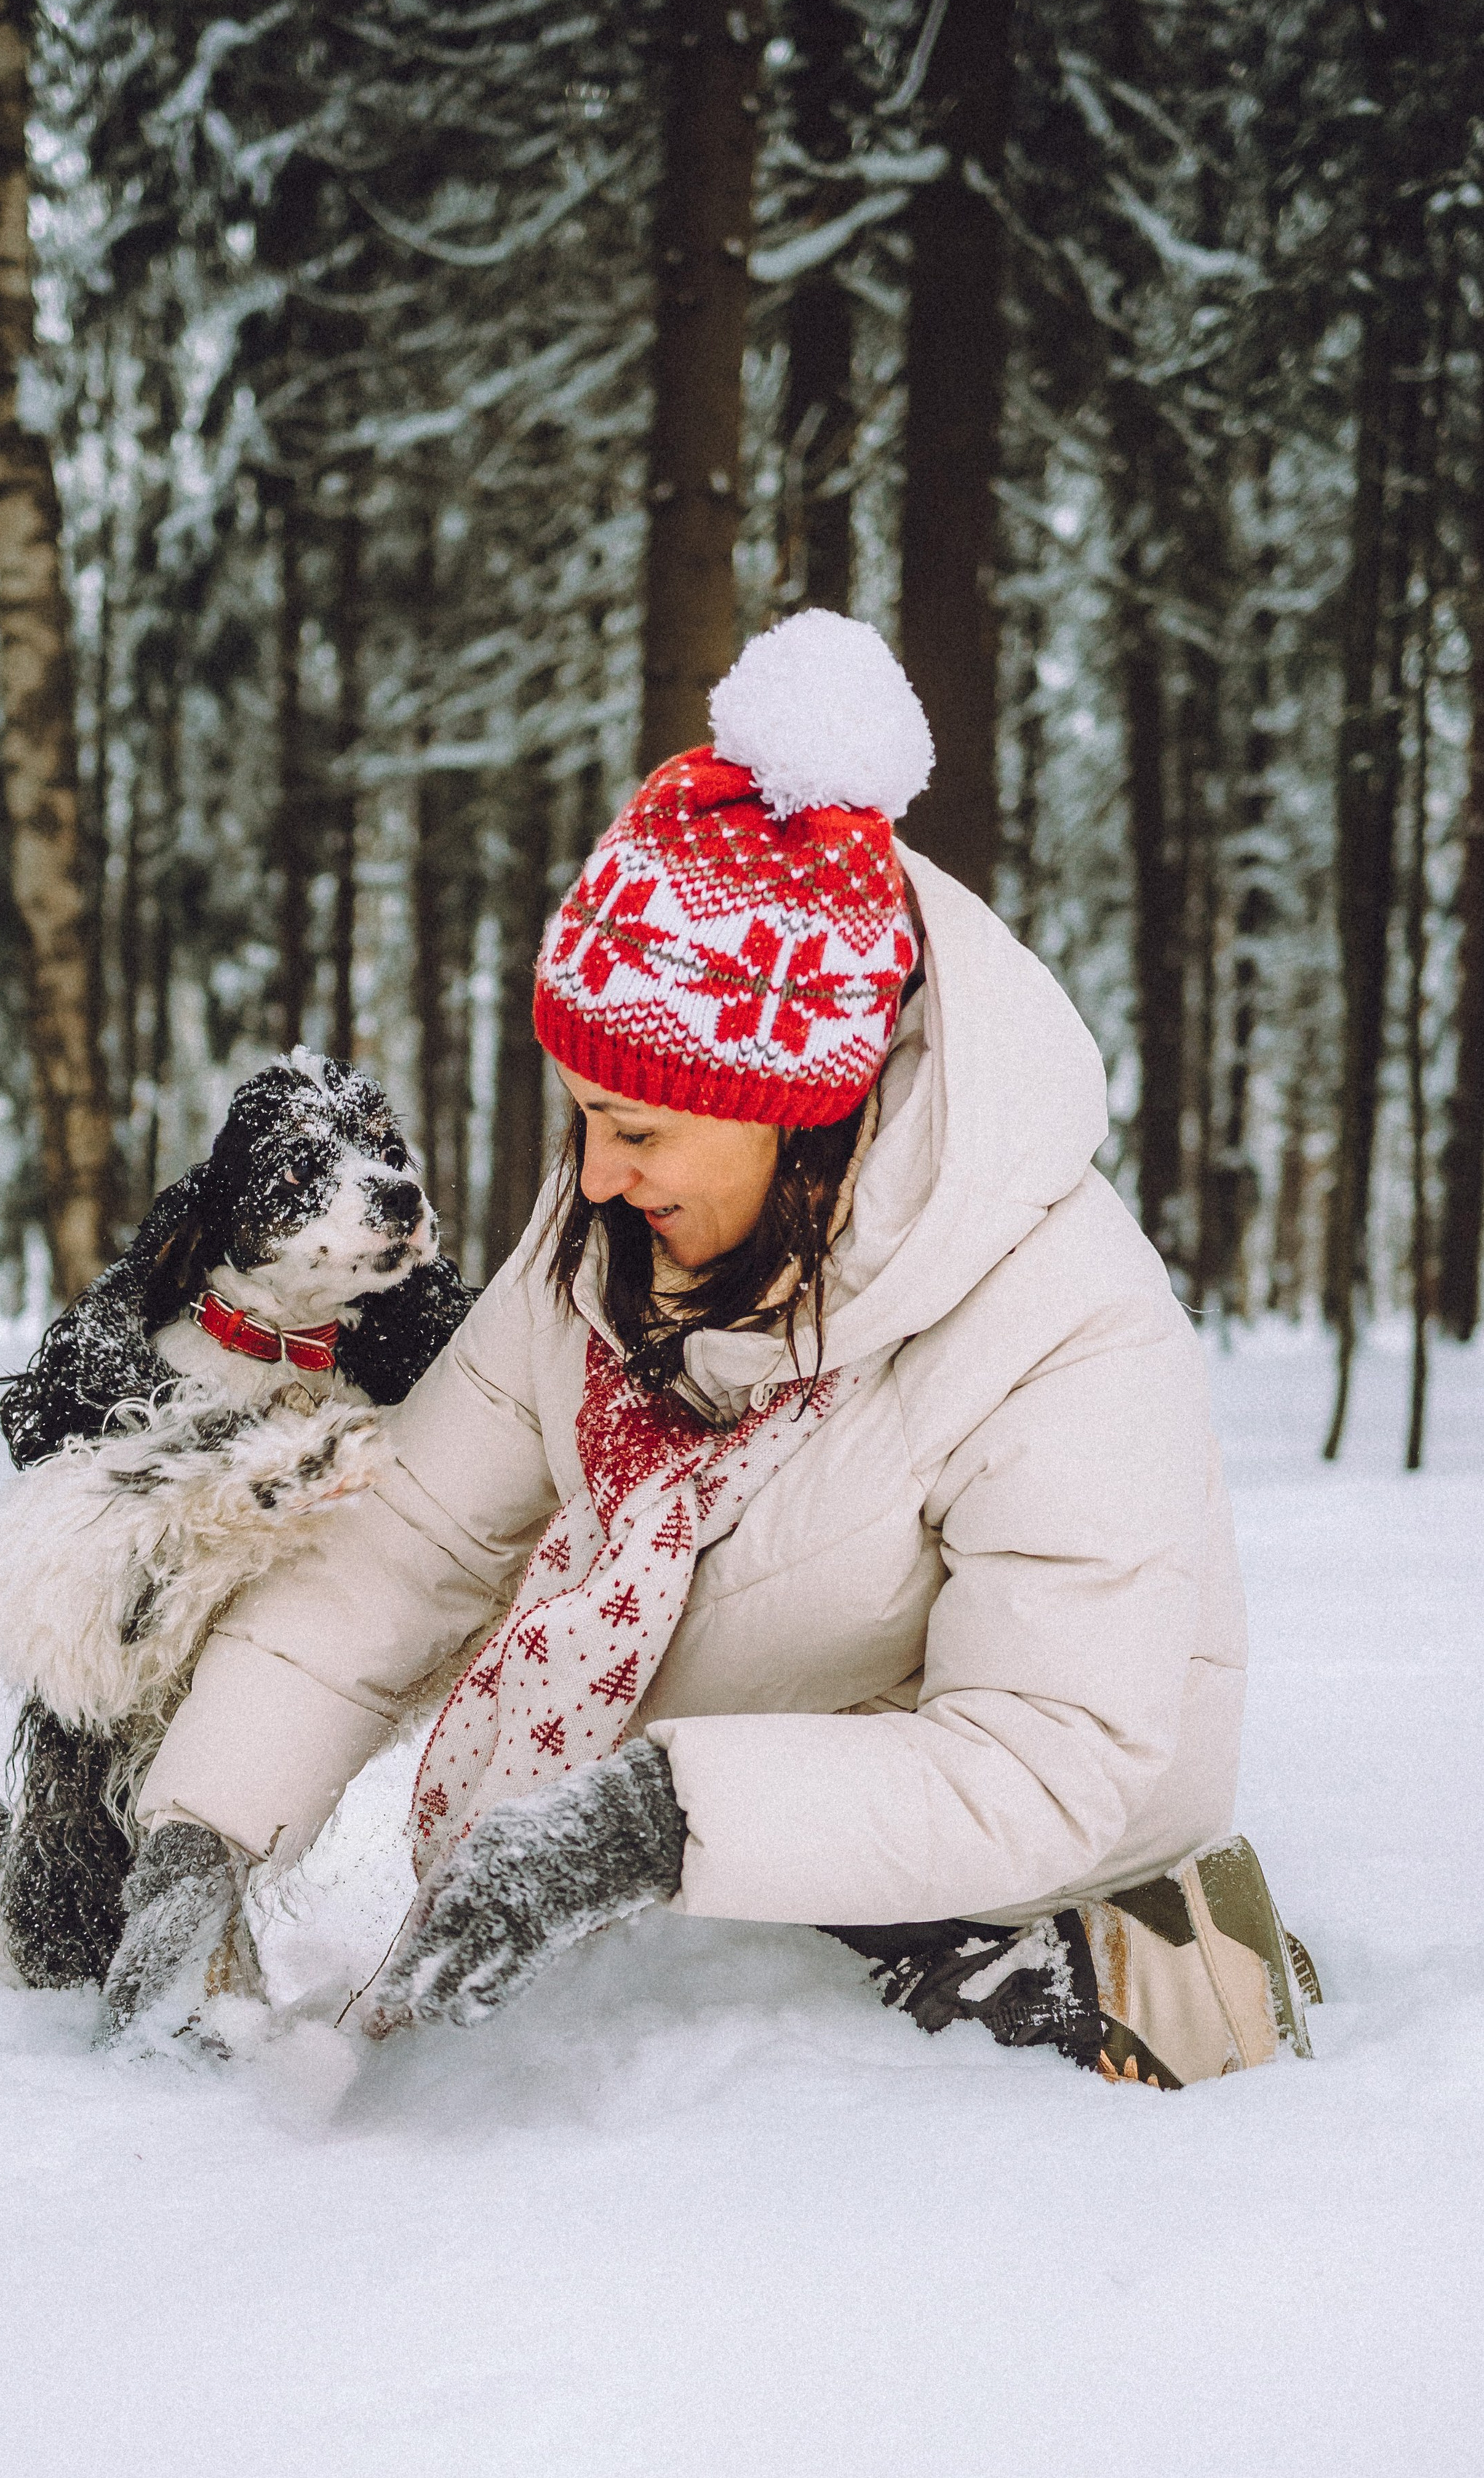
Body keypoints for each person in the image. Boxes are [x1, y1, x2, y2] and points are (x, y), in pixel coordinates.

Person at [118, 610, 1314, 2089]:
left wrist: (643, 1820)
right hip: (730, 1880)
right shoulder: (615, 1254)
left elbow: (1048, 1757)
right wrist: (201, 1833)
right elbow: (405, 1549)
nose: (594, 1175)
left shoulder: (1061, 1323)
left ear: (804, 1116)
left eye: (636, 1128)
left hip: (1032, 1942)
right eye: (581, 1118)